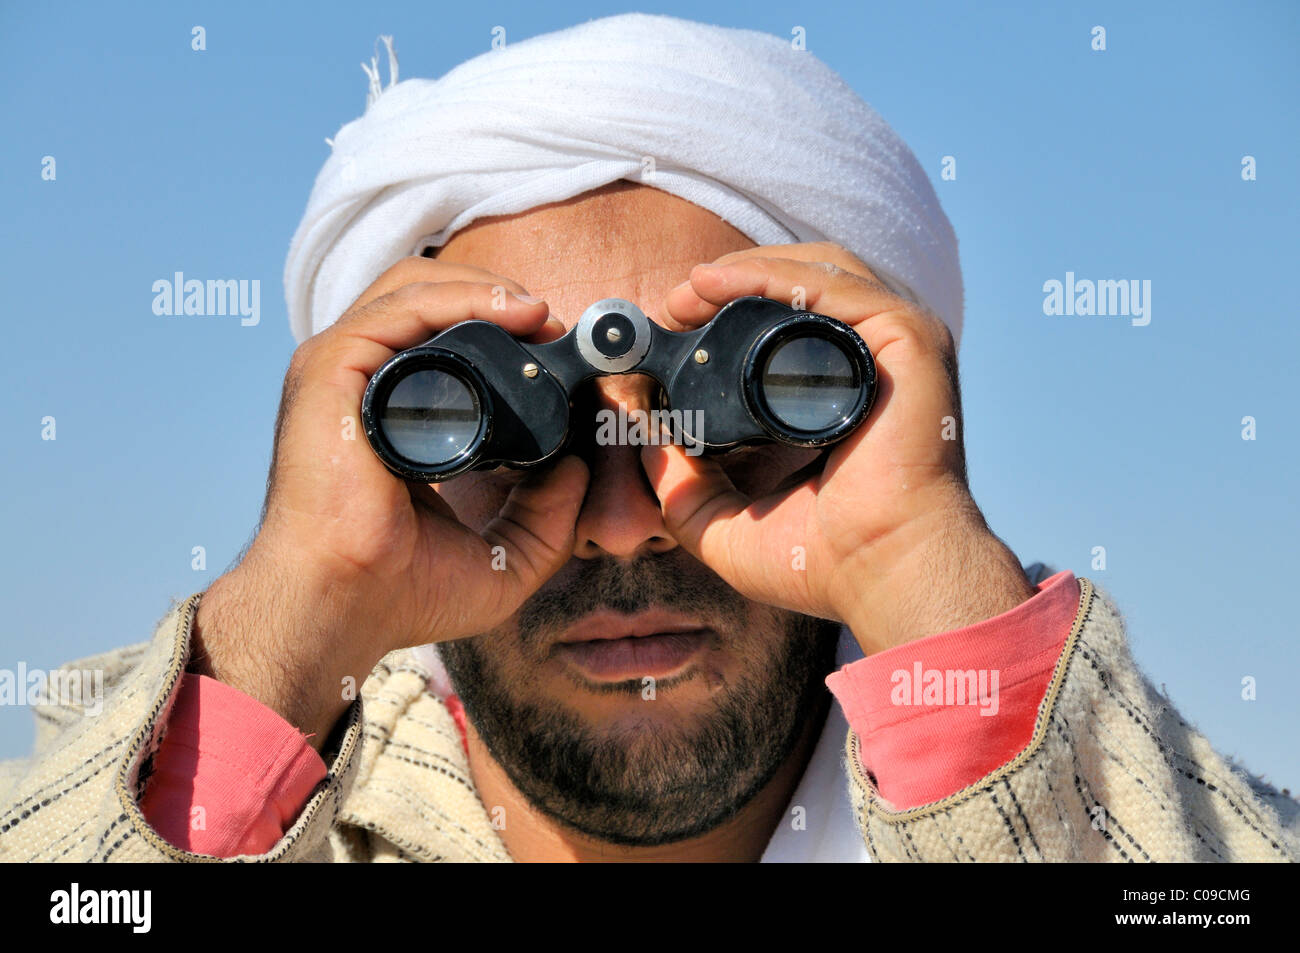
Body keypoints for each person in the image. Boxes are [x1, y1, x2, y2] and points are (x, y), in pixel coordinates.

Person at [2, 14, 1295, 863]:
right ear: (389, 452)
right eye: (514, 426)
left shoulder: (1170, 828)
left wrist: (939, 595)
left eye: (726, 413)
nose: (623, 519)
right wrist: (287, 619)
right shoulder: (219, 801)